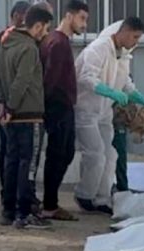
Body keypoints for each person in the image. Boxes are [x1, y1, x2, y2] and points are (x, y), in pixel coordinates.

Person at [73, 17, 144, 215]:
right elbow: (86, 77)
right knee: (95, 154)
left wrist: (137, 96)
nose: (136, 42)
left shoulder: (123, 54)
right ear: (123, 32)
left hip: (104, 111)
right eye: (135, 37)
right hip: (86, 110)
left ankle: (102, 198)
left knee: (110, 155)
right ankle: (84, 195)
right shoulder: (98, 49)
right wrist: (109, 91)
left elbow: (124, 81)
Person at [0, 7, 54, 229]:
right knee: (28, 165)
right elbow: (22, 80)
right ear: (37, 26)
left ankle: (8, 211)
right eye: (45, 29)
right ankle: (24, 213)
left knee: (12, 162)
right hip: (29, 115)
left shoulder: (4, 45)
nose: (45, 34)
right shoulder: (29, 48)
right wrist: (11, 106)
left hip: (11, 117)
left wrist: (1, 103)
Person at [38, 0, 89, 221]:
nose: (84, 24)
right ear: (69, 16)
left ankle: (50, 202)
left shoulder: (59, 41)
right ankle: (49, 204)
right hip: (58, 107)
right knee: (58, 154)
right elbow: (50, 79)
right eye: (82, 18)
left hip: (62, 106)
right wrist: (49, 107)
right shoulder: (58, 43)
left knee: (64, 153)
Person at [0, 1, 31, 204]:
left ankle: (17, 196)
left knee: (16, 153)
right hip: (8, 106)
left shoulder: (31, 41)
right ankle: (8, 194)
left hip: (21, 106)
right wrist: (1, 101)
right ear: (15, 16)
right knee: (9, 151)